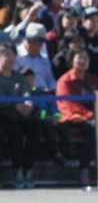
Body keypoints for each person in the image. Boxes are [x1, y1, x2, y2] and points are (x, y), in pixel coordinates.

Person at [56, 46, 98, 186]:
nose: (83, 61)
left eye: (85, 58)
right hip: (74, 117)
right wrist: (92, 115)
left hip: (96, 116)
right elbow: (69, 104)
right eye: (79, 58)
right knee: (92, 130)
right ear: (71, 61)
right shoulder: (65, 81)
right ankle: (84, 169)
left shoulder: (93, 80)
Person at [0, 43, 42, 188]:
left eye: (12, 54)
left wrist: (28, 103)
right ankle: (17, 169)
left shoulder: (18, 76)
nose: (10, 58)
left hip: (21, 112)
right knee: (15, 131)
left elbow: (25, 92)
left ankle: (27, 168)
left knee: (36, 126)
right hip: (4, 114)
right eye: (5, 54)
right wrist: (14, 105)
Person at [16, 22, 56, 91]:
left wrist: (52, 90)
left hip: (44, 95)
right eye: (34, 43)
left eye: (40, 44)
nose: (37, 47)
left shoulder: (44, 59)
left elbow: (50, 80)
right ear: (26, 41)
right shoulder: (16, 57)